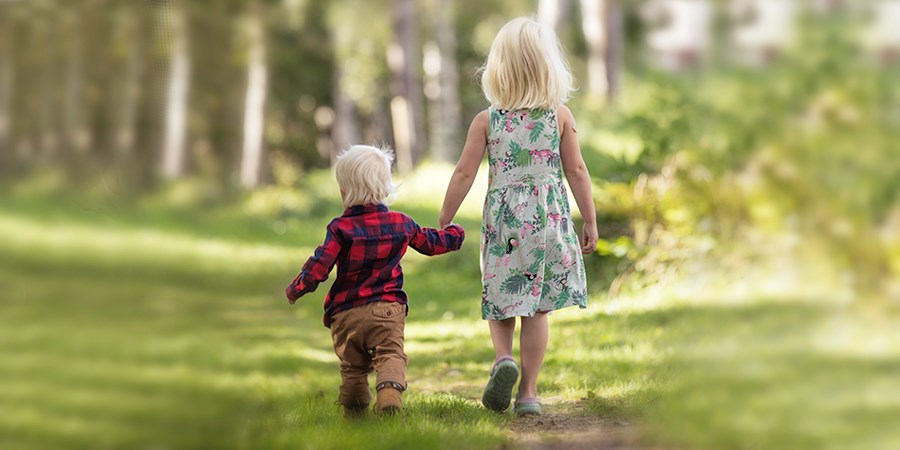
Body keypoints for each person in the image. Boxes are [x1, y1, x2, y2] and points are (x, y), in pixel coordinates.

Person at [438, 17, 597, 417]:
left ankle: (502, 359)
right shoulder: (558, 116)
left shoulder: (487, 120)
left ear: (498, 68)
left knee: (501, 297)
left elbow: (464, 172)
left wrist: (445, 217)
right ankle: (528, 392)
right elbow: (577, 171)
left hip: (504, 223)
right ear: (548, 67)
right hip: (547, 222)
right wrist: (590, 221)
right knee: (537, 308)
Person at [286, 145, 465, 417]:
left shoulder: (340, 228)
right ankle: (390, 392)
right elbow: (431, 243)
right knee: (390, 354)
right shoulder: (401, 223)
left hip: (345, 313)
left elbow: (319, 266)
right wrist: (455, 234)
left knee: (353, 367)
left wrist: (297, 288)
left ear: (343, 192)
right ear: (386, 187)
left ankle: (355, 413)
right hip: (387, 309)